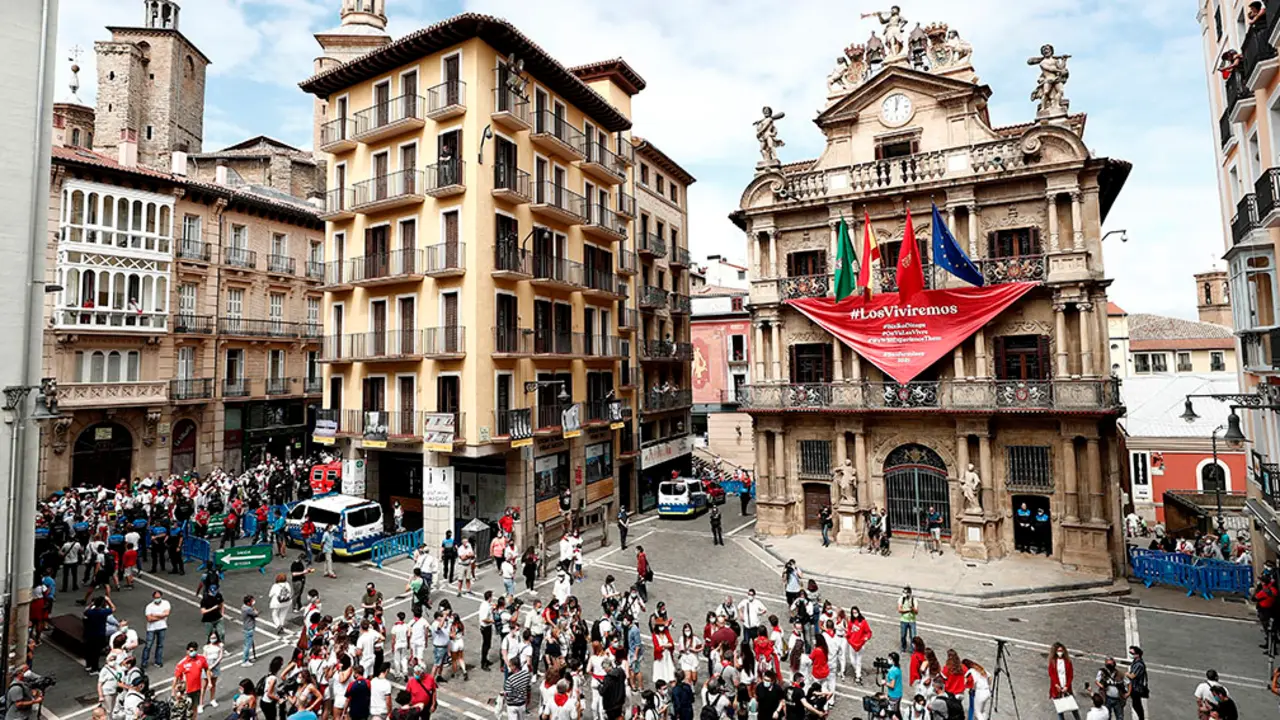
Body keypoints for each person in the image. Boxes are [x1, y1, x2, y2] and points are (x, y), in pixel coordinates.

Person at [175, 642, 209, 720]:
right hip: (186, 691)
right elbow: (176, 679)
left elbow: (207, 669)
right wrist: (175, 693)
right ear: (187, 651)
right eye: (191, 650)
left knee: (194, 708)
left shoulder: (201, 659)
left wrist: (209, 681)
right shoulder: (182, 663)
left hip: (197, 689)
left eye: (195, 650)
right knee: (183, 710)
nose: (193, 652)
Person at [83, 595, 114, 672]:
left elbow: (85, 610)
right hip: (99, 634)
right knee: (96, 652)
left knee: (89, 650)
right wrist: (109, 601)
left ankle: (88, 665)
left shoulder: (90, 612)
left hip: (89, 634)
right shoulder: (103, 612)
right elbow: (113, 608)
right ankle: (94, 668)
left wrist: (91, 604)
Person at [1050, 642, 1080, 720]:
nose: (1060, 652)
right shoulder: (1052, 662)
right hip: (1057, 688)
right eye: (1058, 651)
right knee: (1060, 708)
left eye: (1061, 650)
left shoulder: (1067, 662)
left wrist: (1067, 686)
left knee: (1073, 707)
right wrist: (1056, 684)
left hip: (1066, 686)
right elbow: (1051, 674)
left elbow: (1070, 675)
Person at [142, 590, 170, 668]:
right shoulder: (149, 606)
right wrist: (161, 616)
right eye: (156, 597)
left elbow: (167, 614)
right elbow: (149, 619)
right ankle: (144, 662)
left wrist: (154, 615)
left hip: (162, 627)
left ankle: (158, 661)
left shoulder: (166, 603)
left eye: (158, 597)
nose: (157, 599)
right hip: (151, 628)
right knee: (148, 645)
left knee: (160, 645)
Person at [1125, 646, 1148, 720]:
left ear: (1137, 654)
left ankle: (1141, 718)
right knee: (1136, 704)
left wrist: (1127, 674)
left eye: (1132, 653)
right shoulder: (1135, 661)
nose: (1130, 654)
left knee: (1137, 704)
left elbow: (1132, 676)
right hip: (1134, 686)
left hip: (1136, 688)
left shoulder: (1139, 665)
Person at [880, 652, 904, 716]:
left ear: (893, 660)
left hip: (894, 695)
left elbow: (892, 685)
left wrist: (885, 683)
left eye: (889, 658)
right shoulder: (897, 667)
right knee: (897, 710)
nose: (888, 660)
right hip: (898, 693)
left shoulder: (892, 671)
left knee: (894, 713)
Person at [897, 586, 917, 653]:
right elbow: (899, 610)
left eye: (905, 592)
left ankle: (913, 650)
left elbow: (916, 612)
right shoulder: (901, 599)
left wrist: (912, 608)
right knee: (903, 636)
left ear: (909, 593)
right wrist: (908, 610)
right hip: (904, 620)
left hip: (912, 621)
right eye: (904, 592)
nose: (904, 594)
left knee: (913, 637)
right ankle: (903, 647)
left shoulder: (913, 600)